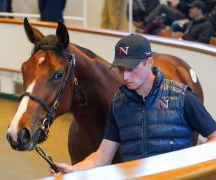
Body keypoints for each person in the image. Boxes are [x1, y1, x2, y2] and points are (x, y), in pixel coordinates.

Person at [50, 34, 216, 175]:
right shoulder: (119, 104)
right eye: (121, 69)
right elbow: (102, 156)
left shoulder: (182, 97)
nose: (125, 76)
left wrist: (188, 162)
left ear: (149, 62)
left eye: (131, 68)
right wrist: (74, 170)